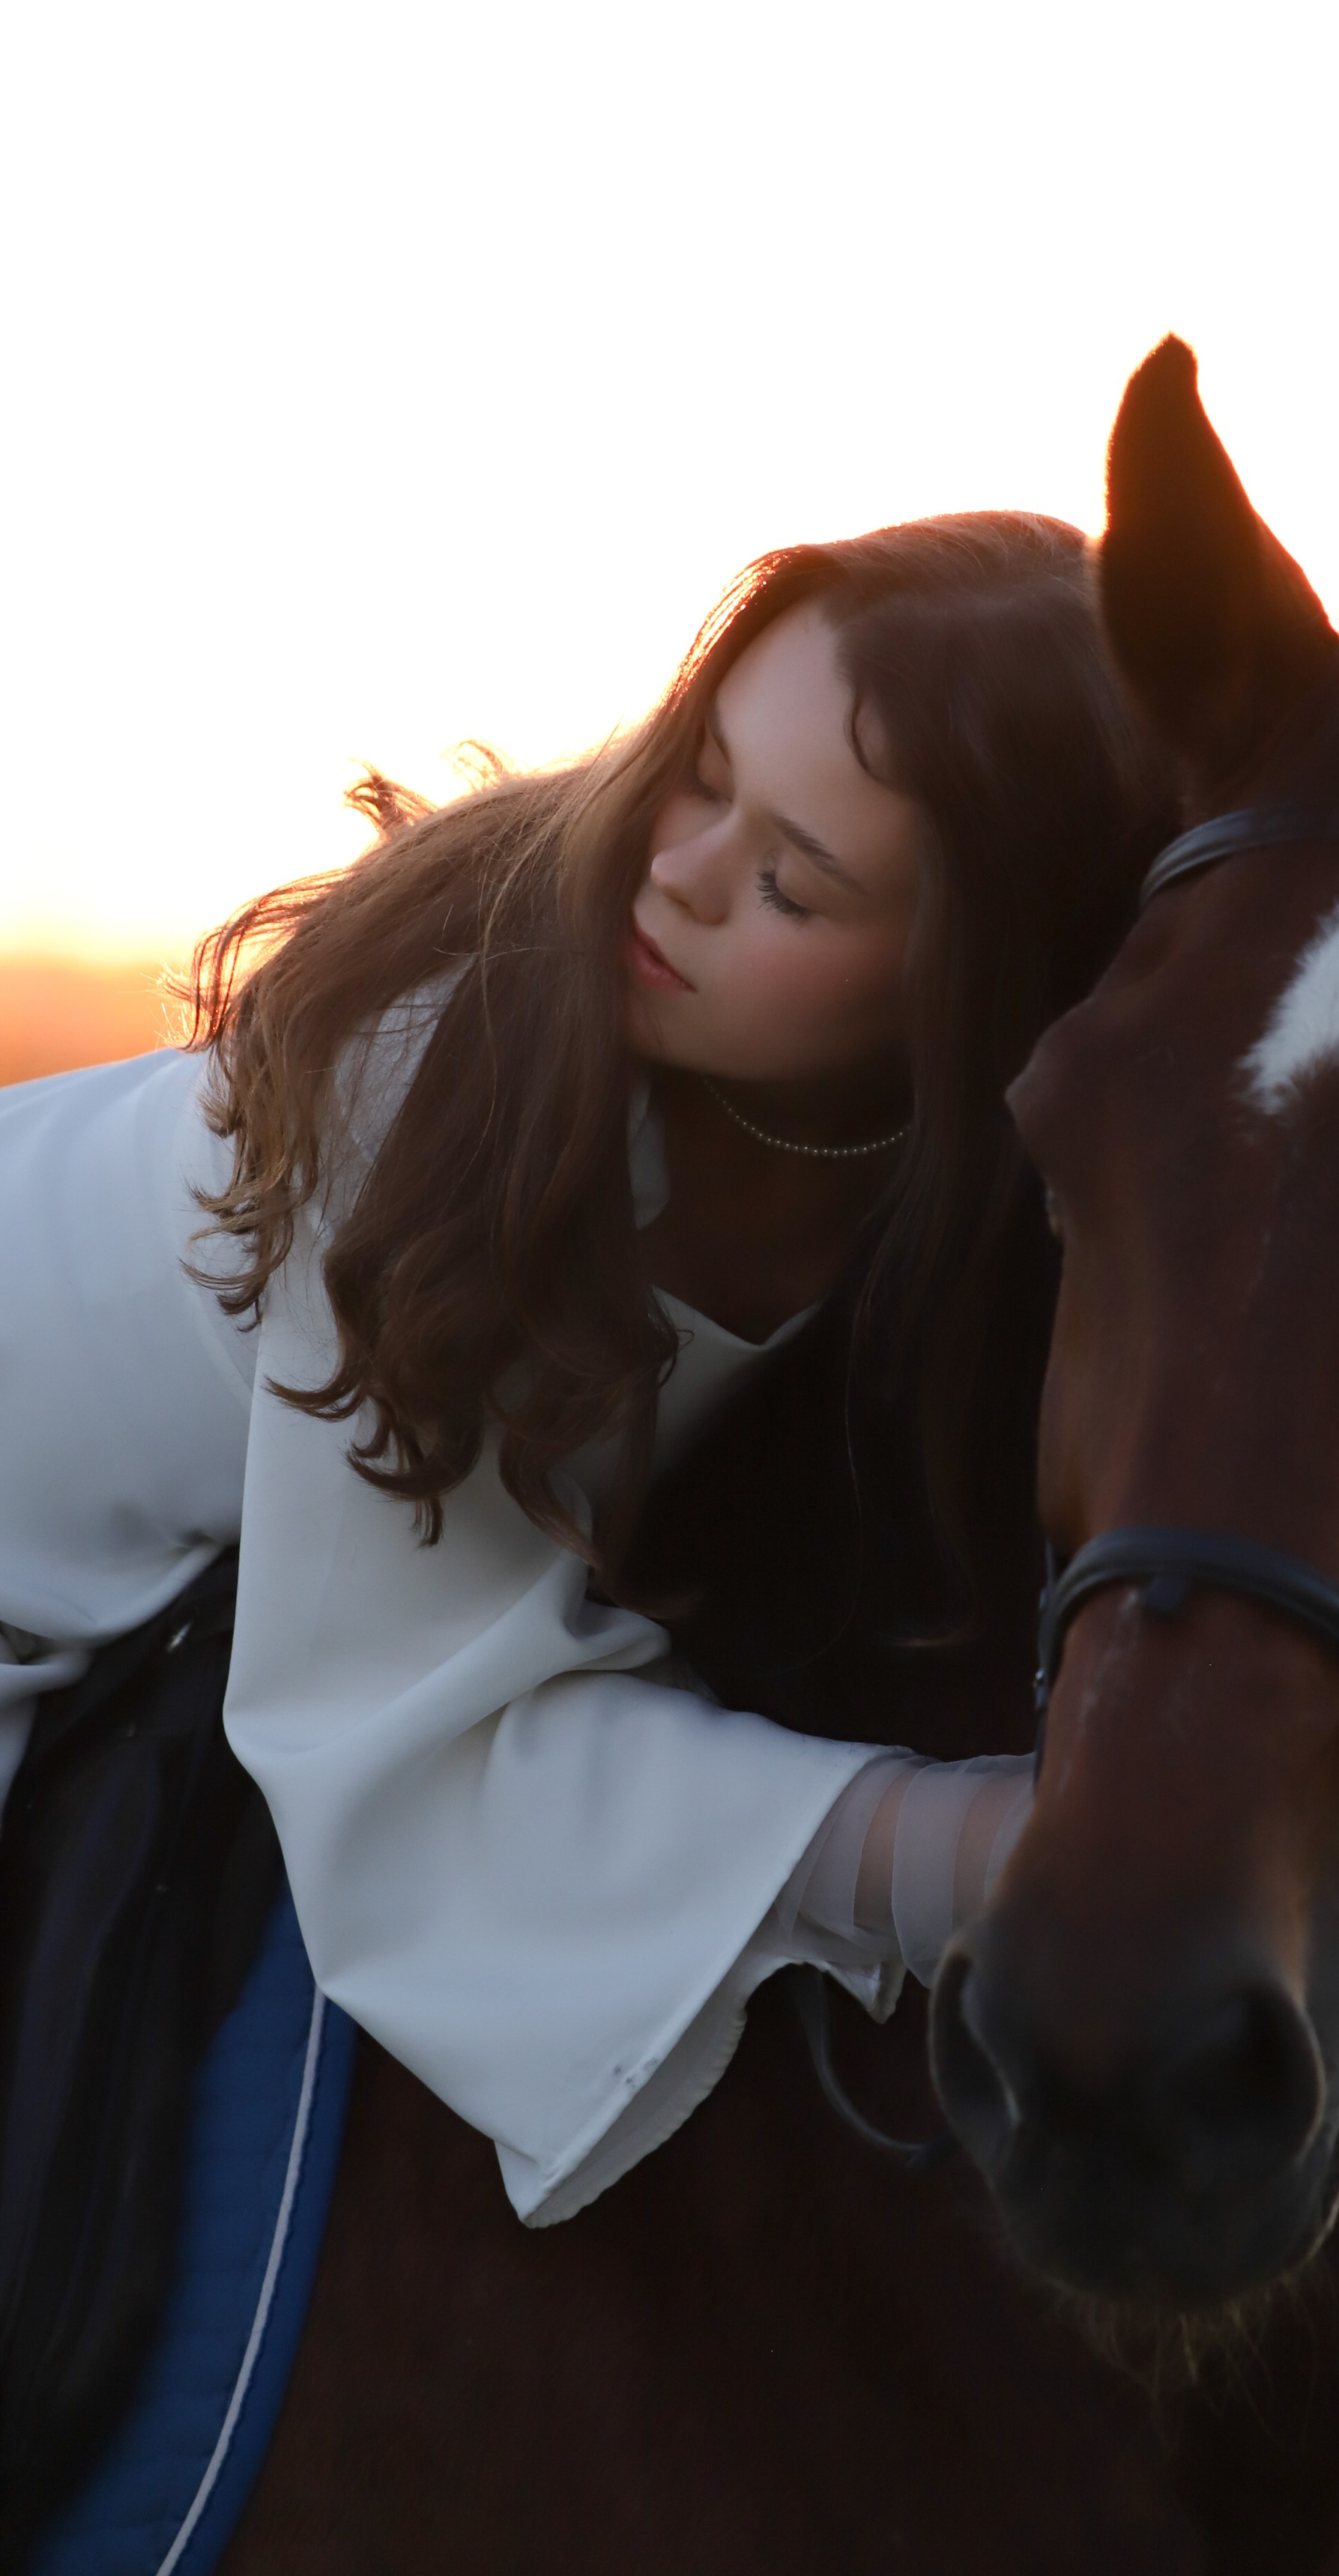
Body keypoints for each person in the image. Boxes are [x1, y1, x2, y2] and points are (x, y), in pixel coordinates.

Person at [0, 513, 1165, 2225]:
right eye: (695, 772)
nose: (676, 871)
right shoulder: (447, 1091)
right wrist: (977, 1853)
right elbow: (425, 1764)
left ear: (963, 995)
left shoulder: (970, 1184)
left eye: (788, 878)